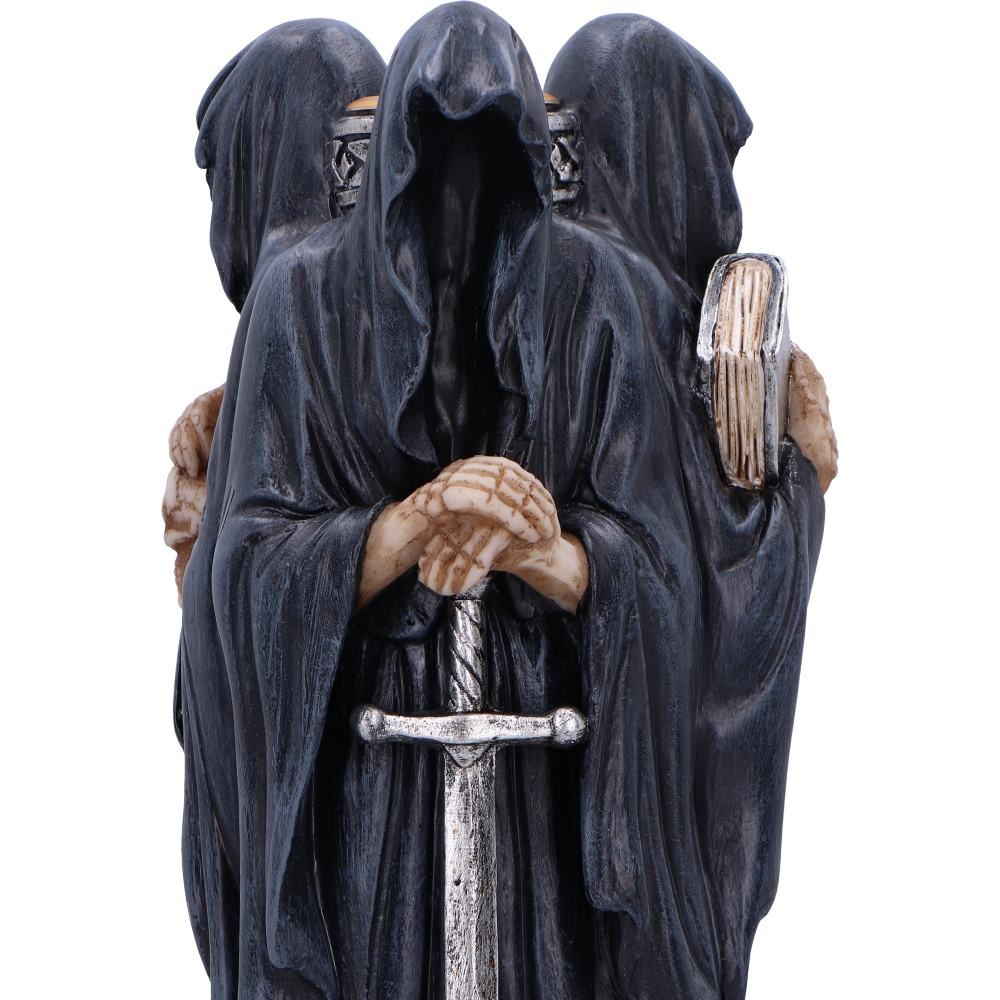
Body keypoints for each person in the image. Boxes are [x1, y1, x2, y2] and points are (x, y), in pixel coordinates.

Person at [168, 6, 834, 998]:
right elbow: (247, 568)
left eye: (489, 158)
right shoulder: (301, 298)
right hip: (372, 786)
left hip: (548, 788)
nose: (457, 204)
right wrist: (405, 527)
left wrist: (547, 553)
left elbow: (671, 566)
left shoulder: (599, 291)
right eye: (427, 159)